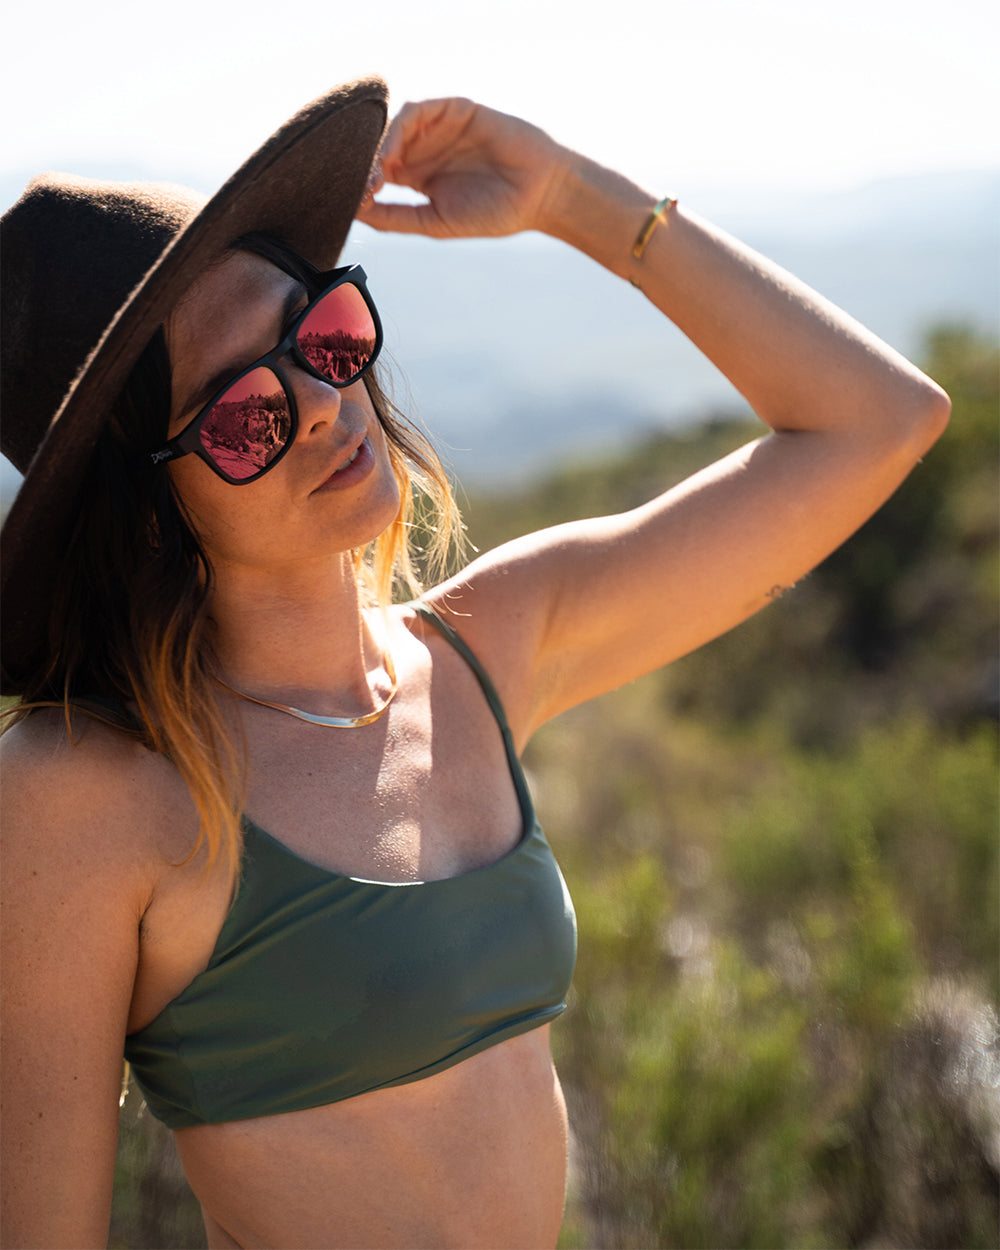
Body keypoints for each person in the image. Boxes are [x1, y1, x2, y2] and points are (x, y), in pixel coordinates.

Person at [0, 75, 949, 1250]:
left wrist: (571, 198)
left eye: (322, 338)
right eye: (243, 412)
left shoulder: (488, 652)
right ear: (147, 509)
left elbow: (877, 421)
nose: (318, 407)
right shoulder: (81, 791)